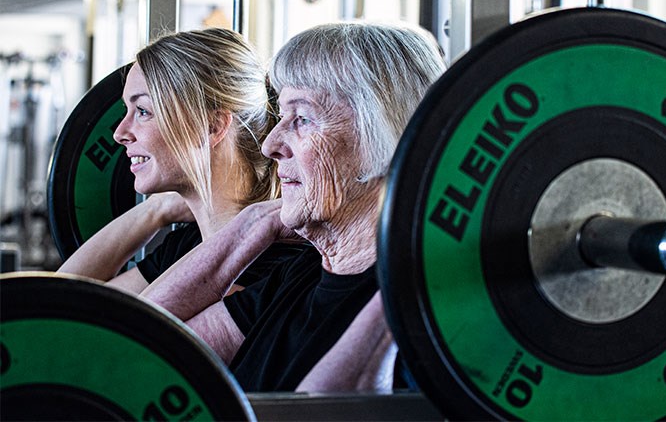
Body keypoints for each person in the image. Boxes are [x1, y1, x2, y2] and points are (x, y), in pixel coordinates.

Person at [140, 21, 447, 392]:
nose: (271, 143)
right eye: (281, 116)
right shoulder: (299, 273)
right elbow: (138, 350)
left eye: (302, 119)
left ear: (383, 137)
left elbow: (325, 410)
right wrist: (253, 223)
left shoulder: (424, 305)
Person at [57, 28, 305, 293]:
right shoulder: (186, 245)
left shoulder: (264, 267)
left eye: (142, 111)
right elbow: (56, 306)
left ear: (213, 127)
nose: (119, 133)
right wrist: (155, 210)